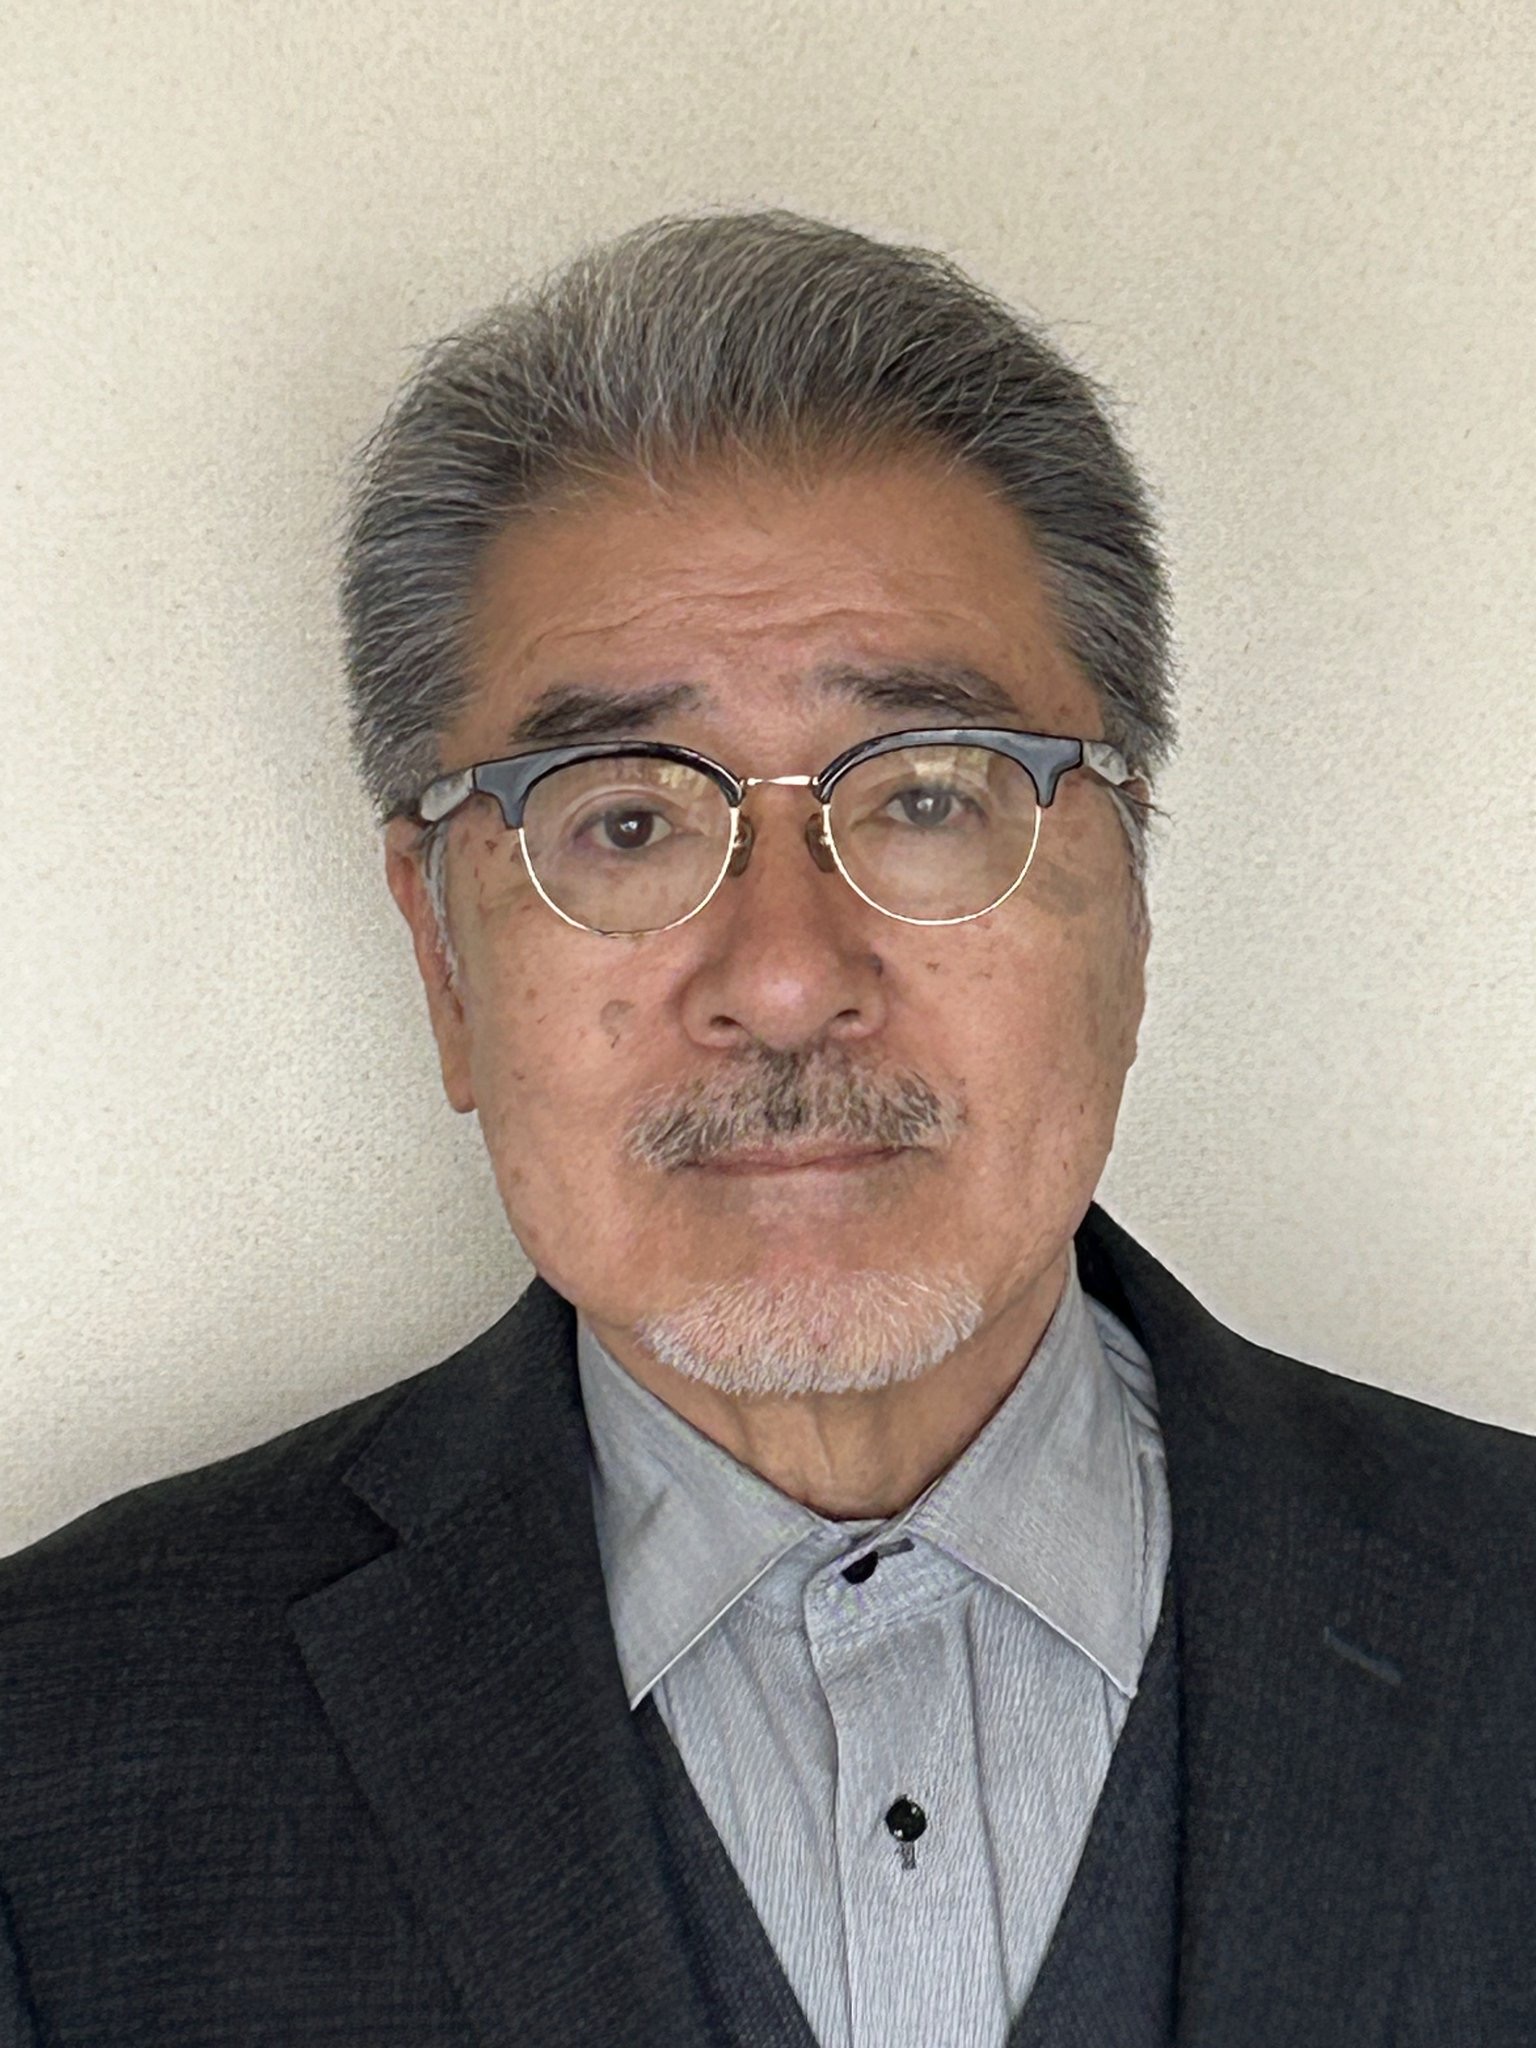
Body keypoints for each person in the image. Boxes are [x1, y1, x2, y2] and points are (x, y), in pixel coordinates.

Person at [1, 211, 1532, 2048]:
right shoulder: (53, 1755)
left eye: (929, 798)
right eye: (625, 821)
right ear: (442, 956)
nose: (790, 980)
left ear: (1128, 908)